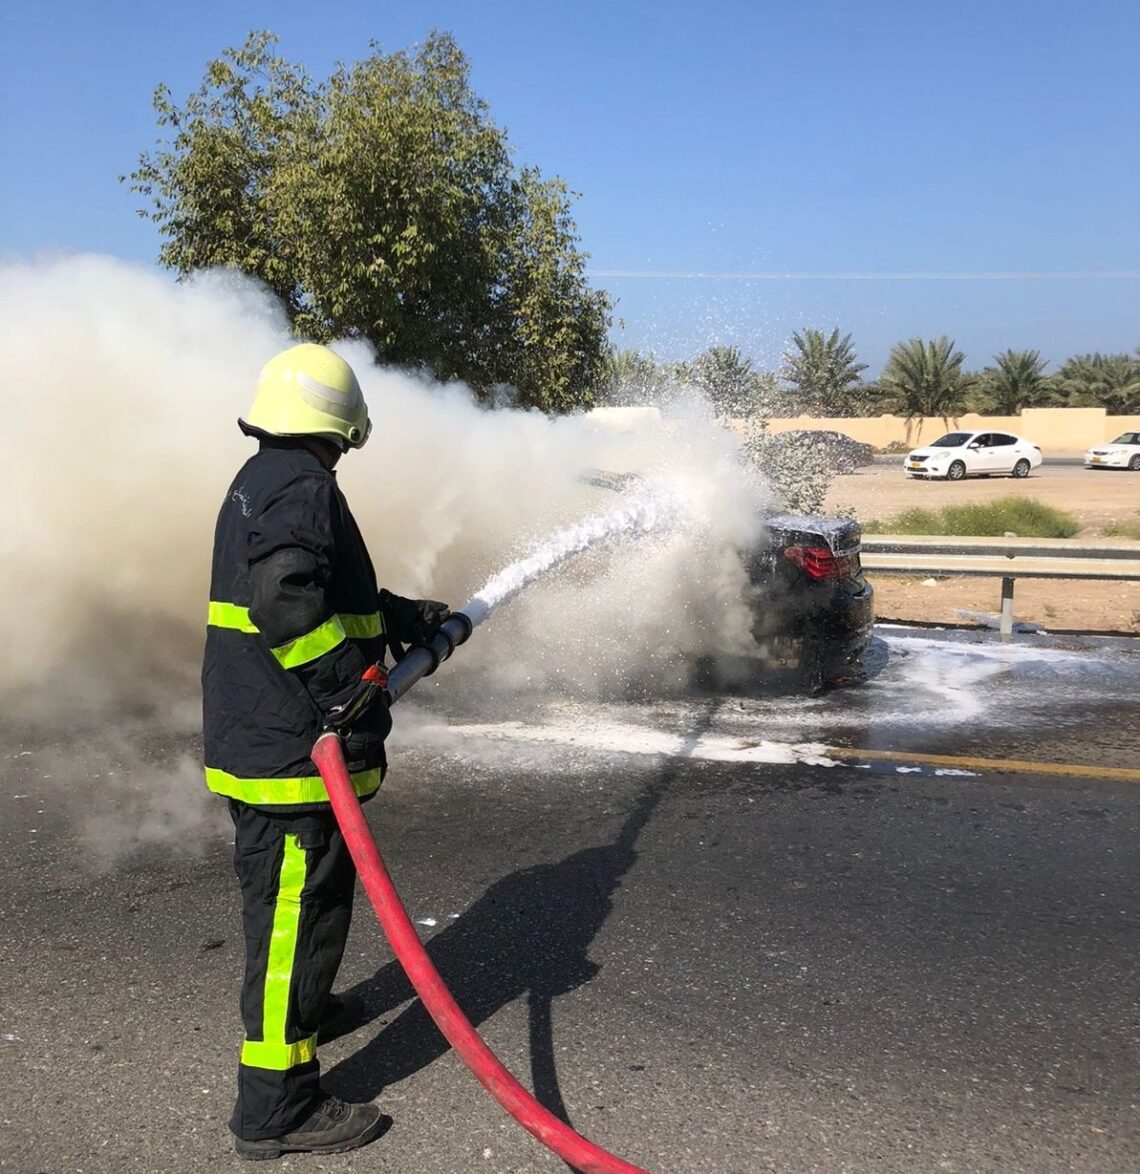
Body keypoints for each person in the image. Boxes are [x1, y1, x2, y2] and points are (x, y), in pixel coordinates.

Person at [202, 343, 450, 1160]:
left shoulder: (264, 478)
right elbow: (283, 599)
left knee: (309, 913)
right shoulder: (303, 485)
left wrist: (396, 614)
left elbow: (323, 586)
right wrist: (347, 689)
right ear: (341, 422)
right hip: (293, 756)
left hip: (281, 746)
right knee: (289, 924)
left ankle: (307, 1006)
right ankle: (275, 1107)